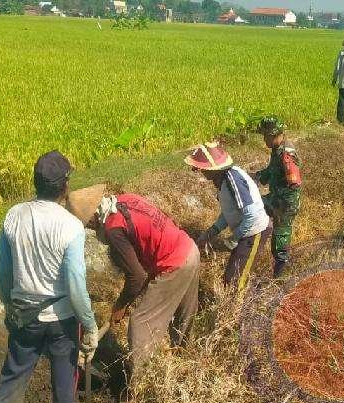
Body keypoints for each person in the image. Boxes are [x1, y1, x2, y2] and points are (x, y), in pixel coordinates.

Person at [0, 150, 99, 403]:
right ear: (65, 186)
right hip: (61, 321)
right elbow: (75, 284)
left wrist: (9, 305)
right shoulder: (71, 226)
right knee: (64, 383)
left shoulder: (13, 216)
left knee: (12, 378)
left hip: (25, 316)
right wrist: (89, 325)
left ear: (35, 183)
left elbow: (4, 272)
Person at [66, 184, 200, 376]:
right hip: (189, 248)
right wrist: (128, 299)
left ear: (94, 216)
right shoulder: (125, 199)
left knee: (140, 323)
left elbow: (137, 277)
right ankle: (185, 368)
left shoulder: (113, 229)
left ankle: (141, 383)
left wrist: (121, 305)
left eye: (87, 224)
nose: (90, 228)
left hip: (174, 263)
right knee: (183, 316)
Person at [185, 142, 271, 299]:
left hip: (254, 232)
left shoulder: (233, 179)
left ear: (213, 168)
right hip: (246, 233)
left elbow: (252, 215)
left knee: (235, 282)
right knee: (231, 278)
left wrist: (233, 239)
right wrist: (211, 232)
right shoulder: (222, 180)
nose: (202, 172)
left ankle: (242, 309)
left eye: (203, 169)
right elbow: (229, 212)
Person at [254, 117, 302, 277]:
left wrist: (278, 204)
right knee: (254, 206)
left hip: (285, 204)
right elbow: (271, 170)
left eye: (266, 136)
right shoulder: (277, 149)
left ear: (275, 135)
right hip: (277, 198)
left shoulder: (286, 154)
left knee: (280, 238)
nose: (264, 140)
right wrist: (257, 177)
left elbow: (294, 183)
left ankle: (280, 275)